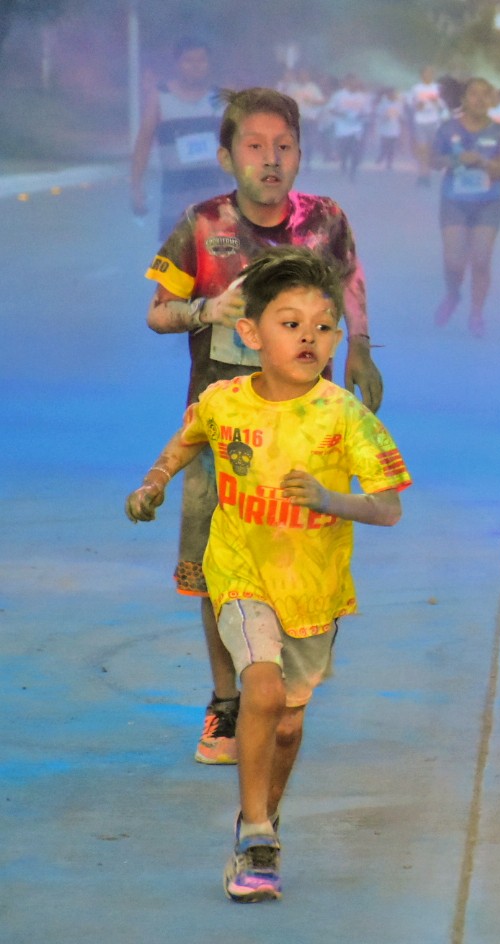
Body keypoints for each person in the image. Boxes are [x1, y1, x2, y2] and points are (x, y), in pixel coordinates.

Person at [126, 246, 411, 902]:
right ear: (250, 333)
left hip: (312, 591)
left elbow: (389, 507)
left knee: (286, 720)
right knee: (258, 687)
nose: (309, 336)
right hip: (240, 569)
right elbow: (189, 437)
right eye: (290, 322)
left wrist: (330, 500)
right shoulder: (223, 401)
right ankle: (256, 834)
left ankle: (264, 813)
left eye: (322, 324)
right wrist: (154, 483)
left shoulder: (344, 416)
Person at [143, 87, 384, 765]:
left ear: (300, 154)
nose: (271, 160)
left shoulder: (326, 220)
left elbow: (351, 285)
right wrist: (204, 312)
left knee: (301, 556)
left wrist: (360, 350)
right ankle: (227, 703)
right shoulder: (200, 224)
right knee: (221, 565)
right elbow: (157, 309)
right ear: (227, 156)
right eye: (254, 146)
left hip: (309, 433)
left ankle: (285, 691)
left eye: (284, 147)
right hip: (223, 433)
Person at [431, 77, 500, 336]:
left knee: (481, 259)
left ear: (491, 100)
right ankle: (453, 294)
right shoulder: (448, 129)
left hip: (487, 203)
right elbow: (434, 160)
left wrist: (487, 165)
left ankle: (477, 314)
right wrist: (459, 158)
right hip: (454, 202)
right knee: (454, 261)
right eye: (474, 94)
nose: (479, 99)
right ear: (464, 99)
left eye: (485, 94)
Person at [130, 37, 229, 239]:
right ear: (177, 64)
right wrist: (136, 187)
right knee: (181, 265)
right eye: (189, 61)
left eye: (201, 61)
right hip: (176, 204)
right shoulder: (160, 98)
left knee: (220, 265)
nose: (196, 66)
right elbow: (143, 143)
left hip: (217, 201)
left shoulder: (218, 99)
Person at [326, 73, 372, 181]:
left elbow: (367, 111)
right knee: (344, 150)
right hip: (342, 128)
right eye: (351, 82)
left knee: (356, 150)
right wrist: (341, 114)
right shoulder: (339, 95)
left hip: (357, 128)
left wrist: (362, 115)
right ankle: (343, 162)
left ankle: (353, 171)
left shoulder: (362, 97)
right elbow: (331, 109)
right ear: (347, 83)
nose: (354, 85)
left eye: (356, 83)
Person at [408, 67, 447, 186]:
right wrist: (417, 105)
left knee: (430, 151)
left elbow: (443, 106)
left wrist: (436, 102)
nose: (428, 75)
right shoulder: (416, 88)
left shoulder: (438, 88)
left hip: (434, 122)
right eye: (426, 73)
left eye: (431, 73)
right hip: (420, 122)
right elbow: (411, 104)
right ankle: (422, 176)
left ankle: (427, 175)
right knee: (422, 150)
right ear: (421, 75)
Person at [373, 86, 405, 171]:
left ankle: (389, 163)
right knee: (385, 145)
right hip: (384, 128)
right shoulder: (383, 104)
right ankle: (382, 155)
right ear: (387, 95)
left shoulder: (398, 104)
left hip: (395, 128)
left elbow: (401, 116)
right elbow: (378, 115)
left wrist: (402, 128)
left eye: (394, 94)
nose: (393, 95)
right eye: (391, 94)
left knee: (392, 147)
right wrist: (384, 117)